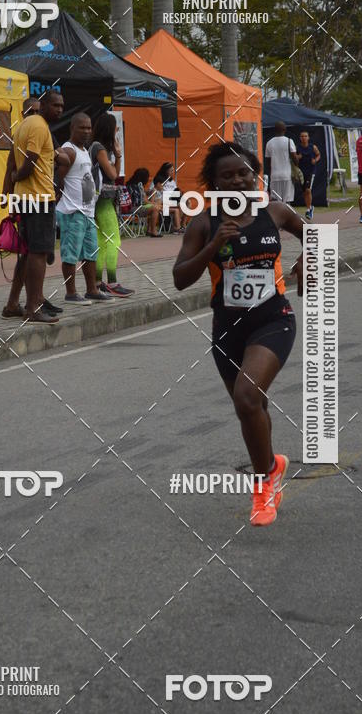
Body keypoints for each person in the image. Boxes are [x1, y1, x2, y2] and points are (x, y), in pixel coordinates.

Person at [173, 142, 304, 527]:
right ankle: (272, 465)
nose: (237, 180)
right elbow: (180, 279)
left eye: (244, 172)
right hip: (227, 329)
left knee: (247, 397)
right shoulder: (204, 223)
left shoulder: (275, 212)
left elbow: (315, 235)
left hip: (273, 319)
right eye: (226, 175)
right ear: (214, 183)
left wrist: (308, 258)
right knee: (253, 406)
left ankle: (263, 487)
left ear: (255, 175)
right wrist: (213, 245)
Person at [5, 89, 70, 323]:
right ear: (43, 105)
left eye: (62, 106)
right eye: (55, 105)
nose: (60, 110)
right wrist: (17, 177)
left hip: (25, 197)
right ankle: (33, 308)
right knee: (39, 253)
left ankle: (12, 304)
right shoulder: (40, 127)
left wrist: (8, 191)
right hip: (38, 198)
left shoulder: (23, 125)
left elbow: (12, 161)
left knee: (26, 253)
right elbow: (29, 162)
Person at [54, 113, 111, 304]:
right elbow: (57, 180)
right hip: (72, 212)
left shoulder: (84, 150)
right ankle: (71, 293)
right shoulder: (69, 151)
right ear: (72, 128)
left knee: (90, 253)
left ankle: (92, 290)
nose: (87, 131)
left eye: (89, 128)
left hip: (87, 212)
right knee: (70, 255)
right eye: (82, 128)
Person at [90, 113, 134, 297]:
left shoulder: (98, 147)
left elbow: (114, 172)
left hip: (99, 200)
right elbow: (114, 175)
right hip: (103, 201)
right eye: (115, 126)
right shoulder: (99, 148)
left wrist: (117, 156)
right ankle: (112, 282)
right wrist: (118, 155)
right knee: (114, 240)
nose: (117, 130)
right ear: (109, 128)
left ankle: (98, 282)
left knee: (102, 241)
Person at [265, 121, 296, 204]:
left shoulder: (269, 143)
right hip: (287, 176)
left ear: (274, 130)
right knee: (287, 201)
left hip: (274, 176)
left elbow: (268, 162)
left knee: (275, 201)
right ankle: (286, 212)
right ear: (285, 129)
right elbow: (295, 159)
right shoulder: (289, 141)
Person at [126, 168, 162, 237]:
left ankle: (149, 230)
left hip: (132, 207)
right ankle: (153, 231)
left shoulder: (130, 184)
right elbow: (142, 200)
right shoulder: (138, 185)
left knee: (154, 207)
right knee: (154, 209)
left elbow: (142, 197)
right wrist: (153, 204)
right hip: (134, 208)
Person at [296, 131, 320, 220]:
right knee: (304, 192)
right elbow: (294, 157)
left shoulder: (313, 147)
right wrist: (297, 157)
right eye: (302, 136)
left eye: (305, 136)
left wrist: (315, 160)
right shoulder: (297, 147)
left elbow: (318, 155)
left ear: (308, 137)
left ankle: (308, 210)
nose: (304, 138)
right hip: (301, 172)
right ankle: (309, 207)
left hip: (311, 171)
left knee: (308, 190)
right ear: (300, 138)